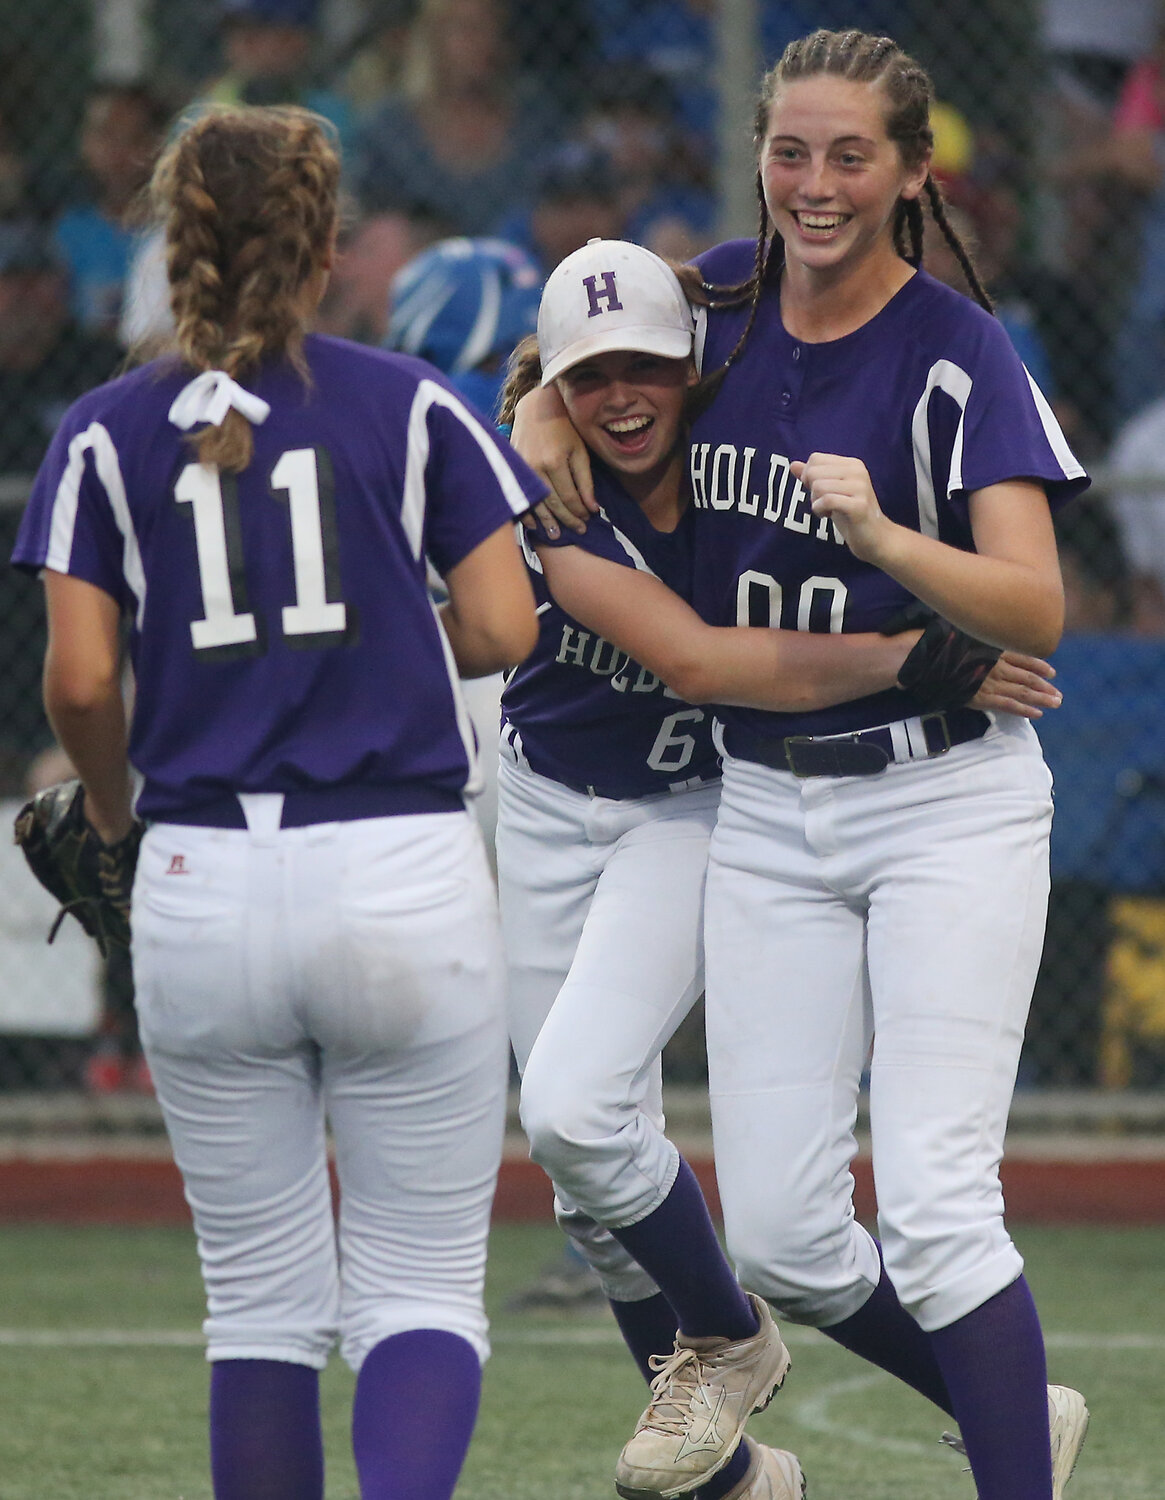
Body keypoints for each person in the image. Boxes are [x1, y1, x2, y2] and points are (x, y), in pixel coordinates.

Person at [511, 29, 1092, 1500]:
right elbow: (589, 362)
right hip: (765, 804)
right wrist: (534, 409)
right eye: (789, 151)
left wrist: (888, 540)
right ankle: (1017, 1404)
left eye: (850, 155)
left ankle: (1016, 1462)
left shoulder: (954, 346)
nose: (813, 184)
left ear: (910, 172)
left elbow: (1034, 605)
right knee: (779, 1236)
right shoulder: (720, 298)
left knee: (945, 1206)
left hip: (943, 796)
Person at [10, 103, 542, 1500]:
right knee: (420, 1288)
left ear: (177, 239)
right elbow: (504, 627)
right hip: (398, 868)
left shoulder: (100, 425)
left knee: (257, 1304)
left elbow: (76, 684)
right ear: (325, 247)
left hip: (199, 876)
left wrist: (119, 818)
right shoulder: (406, 399)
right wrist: (390, 636)